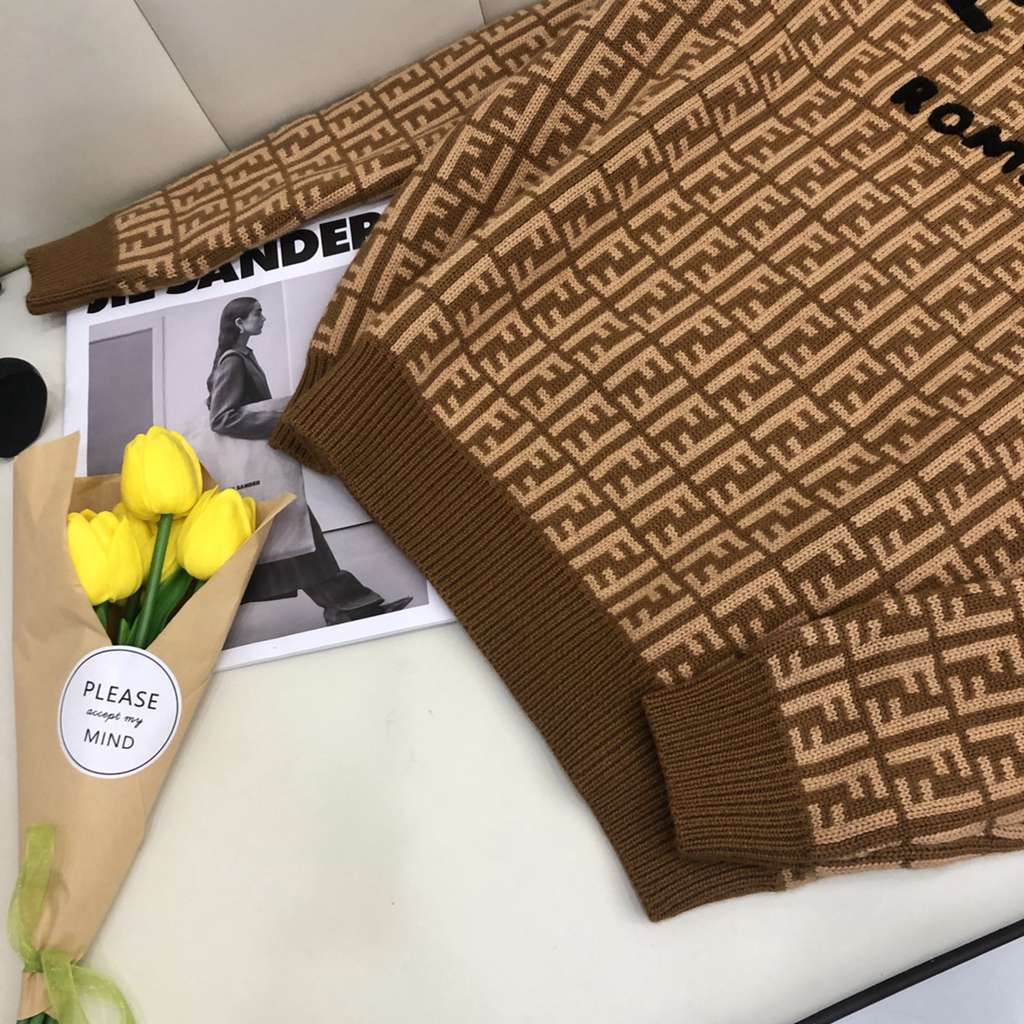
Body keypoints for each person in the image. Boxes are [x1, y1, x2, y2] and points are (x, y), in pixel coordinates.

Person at [206, 295, 411, 623]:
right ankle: (350, 608)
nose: (263, 318)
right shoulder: (232, 361)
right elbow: (221, 418)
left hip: (266, 473)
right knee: (302, 538)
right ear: (240, 323)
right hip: (263, 475)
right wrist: (283, 422)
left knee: (301, 541)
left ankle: (347, 608)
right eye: (257, 313)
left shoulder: (241, 357)